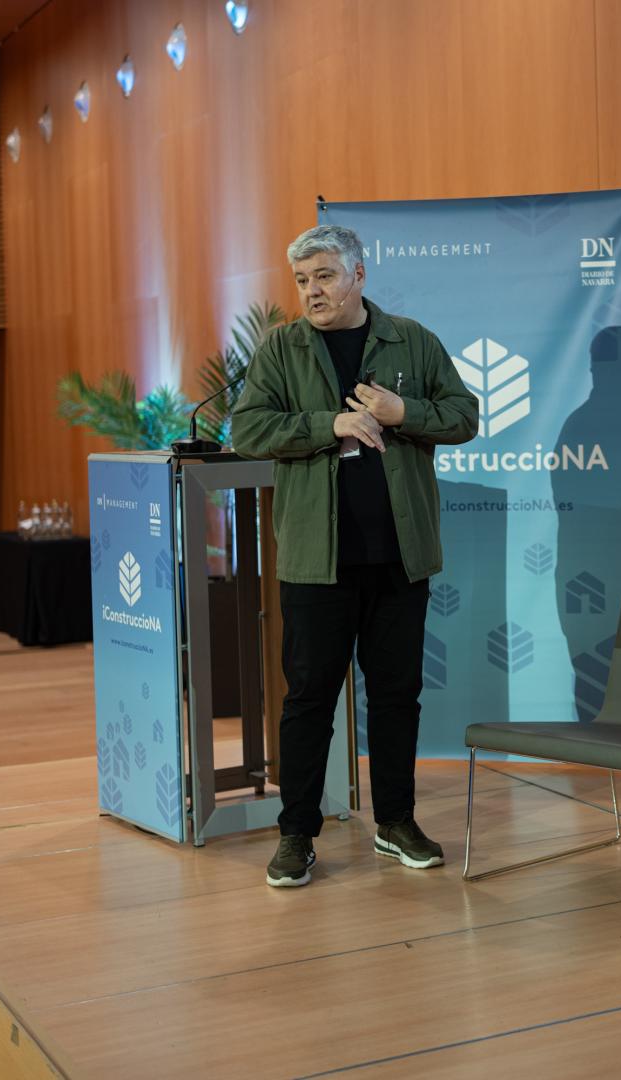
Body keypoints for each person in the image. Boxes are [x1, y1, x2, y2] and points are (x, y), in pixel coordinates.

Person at [232, 224, 478, 887]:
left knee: (397, 696)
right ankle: (296, 835)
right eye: (302, 281)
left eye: (324, 277)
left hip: (399, 558)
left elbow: (464, 416)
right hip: (318, 561)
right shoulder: (282, 350)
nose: (312, 291)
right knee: (310, 698)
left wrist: (403, 411)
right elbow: (248, 429)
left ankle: (397, 822)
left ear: (358, 275)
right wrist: (327, 424)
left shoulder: (411, 340)